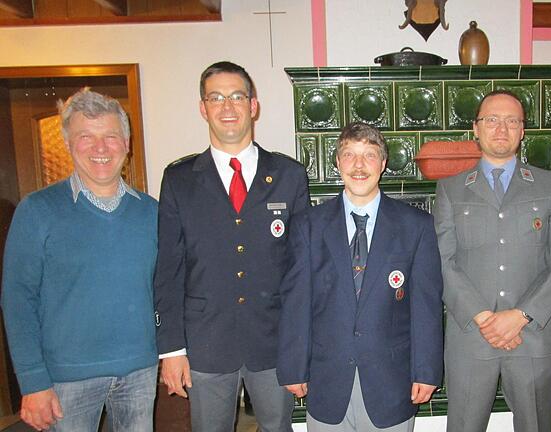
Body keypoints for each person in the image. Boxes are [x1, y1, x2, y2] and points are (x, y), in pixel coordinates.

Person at [154, 61, 309, 432]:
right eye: (216, 97)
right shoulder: (179, 179)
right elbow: (168, 270)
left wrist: (300, 347)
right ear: (202, 107)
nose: (228, 107)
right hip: (206, 343)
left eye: (237, 96)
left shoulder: (289, 175)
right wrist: (172, 350)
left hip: (272, 343)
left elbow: (301, 269)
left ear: (253, 106)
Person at [1, 88, 158, 431]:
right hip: (66, 381)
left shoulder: (151, 212)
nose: (100, 148)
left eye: (110, 136)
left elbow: (166, 289)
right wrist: (32, 381)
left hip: (139, 373)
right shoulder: (38, 211)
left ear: (127, 145)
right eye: (86, 137)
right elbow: (17, 300)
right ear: (69, 144)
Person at [277, 122, 444, 432]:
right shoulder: (307, 225)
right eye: (349, 155)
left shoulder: (416, 226)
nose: (358, 165)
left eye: (369, 155)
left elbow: (426, 306)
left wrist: (426, 370)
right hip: (327, 380)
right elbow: (296, 301)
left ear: (383, 163)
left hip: (392, 381)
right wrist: (292, 367)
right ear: (337, 162)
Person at [433, 90, 551, 432]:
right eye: (492, 120)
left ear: (523, 130)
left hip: (534, 335)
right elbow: (442, 261)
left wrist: (520, 316)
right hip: (471, 336)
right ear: (476, 128)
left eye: (512, 121)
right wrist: (486, 319)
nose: (502, 128)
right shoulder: (451, 189)